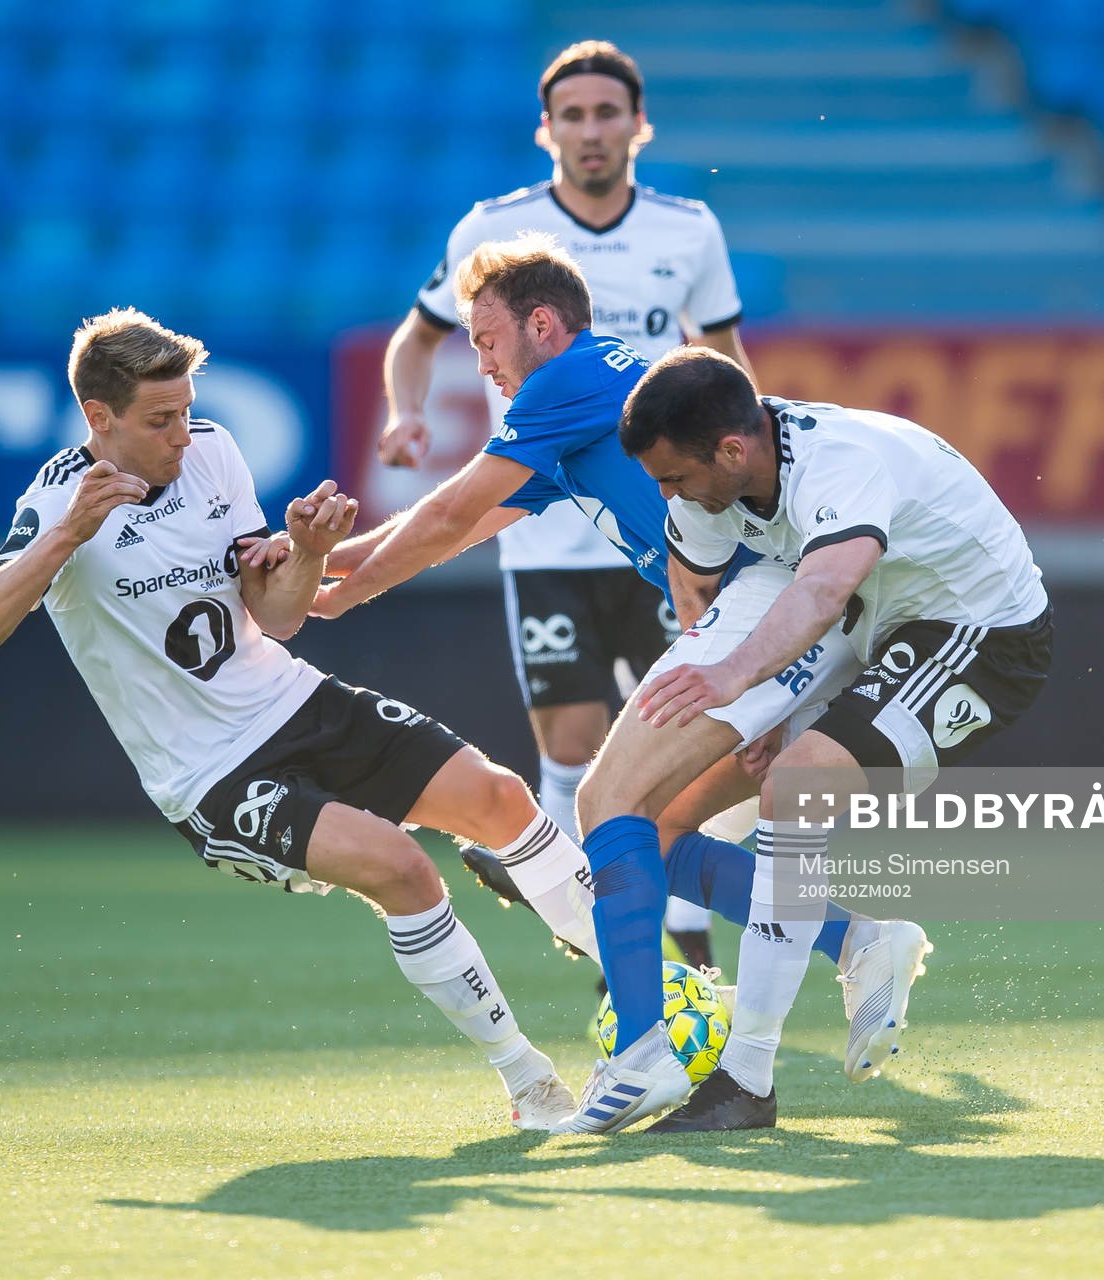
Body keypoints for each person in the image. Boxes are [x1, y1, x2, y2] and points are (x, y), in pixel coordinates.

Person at [313, 237, 919, 1134]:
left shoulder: (569, 381)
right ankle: (857, 939)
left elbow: (444, 508)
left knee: (608, 801)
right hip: (783, 621)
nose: (479, 362)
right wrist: (318, 569)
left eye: (484, 340)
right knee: (658, 833)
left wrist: (327, 601)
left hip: (768, 613)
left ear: (543, 325)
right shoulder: (581, 409)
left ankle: (643, 1051)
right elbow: (455, 528)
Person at [0, 307, 598, 1129]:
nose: (182, 433)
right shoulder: (55, 504)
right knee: (401, 867)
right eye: (160, 420)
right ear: (97, 419)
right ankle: (530, 1082)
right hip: (212, 774)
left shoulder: (215, 450)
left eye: (185, 409)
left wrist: (309, 552)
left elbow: (278, 614)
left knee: (500, 797)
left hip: (292, 699)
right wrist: (69, 535)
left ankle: (647, 1012)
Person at [376, 40, 749, 967]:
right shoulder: (492, 234)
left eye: (606, 113)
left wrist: (748, 483)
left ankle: (674, 951)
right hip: (551, 524)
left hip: (670, 533)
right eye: (572, 115)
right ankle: (610, 934)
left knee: (677, 749)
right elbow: (415, 340)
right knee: (577, 745)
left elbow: (729, 367)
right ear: (546, 130)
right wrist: (405, 416)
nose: (590, 130)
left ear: (637, 125)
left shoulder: (688, 230)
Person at [614, 346, 1054, 1132]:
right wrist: (761, 708)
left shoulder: (840, 463)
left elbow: (821, 589)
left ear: (731, 451)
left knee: (794, 788)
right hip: (870, 626)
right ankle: (860, 938)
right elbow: (699, 593)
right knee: (656, 824)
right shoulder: (714, 477)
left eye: (674, 478)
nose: (667, 495)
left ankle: (744, 1079)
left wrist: (741, 683)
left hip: (978, 631)